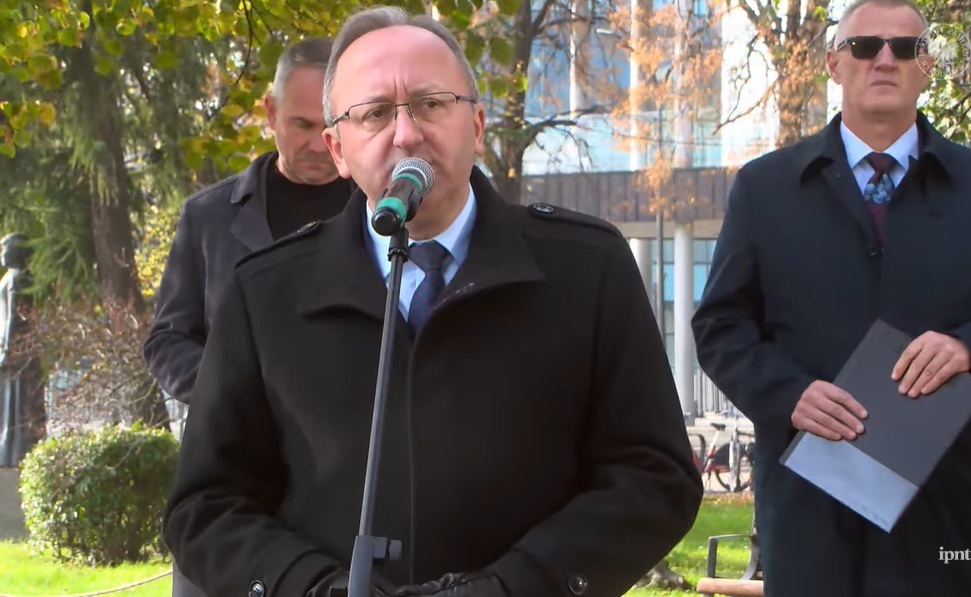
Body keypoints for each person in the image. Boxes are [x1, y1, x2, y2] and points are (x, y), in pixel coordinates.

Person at [162, 5, 703, 597]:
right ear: (338, 149)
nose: (406, 133)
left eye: (430, 103)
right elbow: (205, 506)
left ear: (476, 124)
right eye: (374, 114)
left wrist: (513, 589)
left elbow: (654, 475)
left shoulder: (587, 268)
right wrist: (312, 587)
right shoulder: (265, 291)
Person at [692, 0, 971, 594]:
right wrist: (787, 394)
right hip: (807, 504)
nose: (885, 60)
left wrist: (967, 346)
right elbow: (721, 326)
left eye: (906, 48)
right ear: (833, 64)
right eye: (865, 46)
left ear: (928, 66)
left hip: (948, 505)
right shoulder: (765, 189)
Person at [143, 38, 353, 597]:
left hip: (341, 487)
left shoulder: (383, 218)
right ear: (269, 112)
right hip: (227, 483)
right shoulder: (208, 217)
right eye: (302, 124)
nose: (319, 143)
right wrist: (231, 391)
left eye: (330, 125)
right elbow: (167, 338)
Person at [0, 233, 45, 468]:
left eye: (4, 248)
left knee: (17, 401)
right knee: (12, 401)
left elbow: (14, 318)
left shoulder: (17, 279)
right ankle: (10, 450)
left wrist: (8, 350)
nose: (2, 254)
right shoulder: (12, 277)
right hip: (18, 351)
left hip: (18, 353)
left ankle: (16, 450)